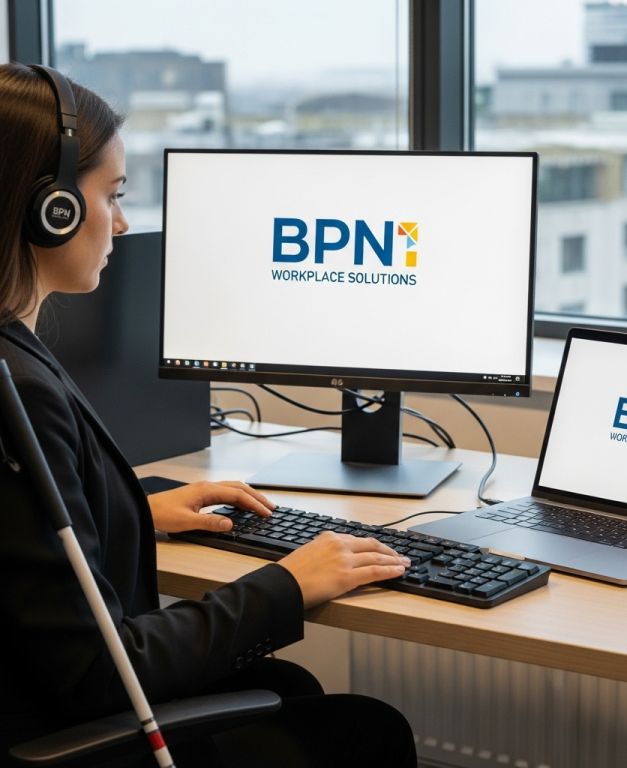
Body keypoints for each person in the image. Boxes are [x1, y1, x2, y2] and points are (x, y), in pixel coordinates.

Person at [0, 62, 417, 768]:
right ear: (53, 208)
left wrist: (133, 507)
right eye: (114, 194)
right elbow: (100, 672)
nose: (124, 222)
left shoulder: (13, 362)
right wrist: (288, 583)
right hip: (63, 732)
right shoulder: (18, 390)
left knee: (285, 686)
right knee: (363, 732)